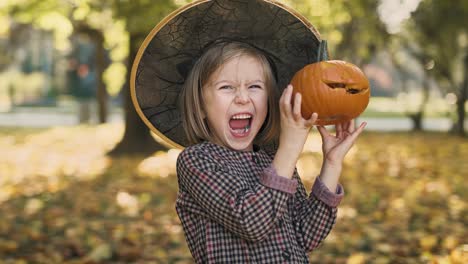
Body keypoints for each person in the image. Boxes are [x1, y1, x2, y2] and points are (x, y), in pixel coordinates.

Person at [130, 0, 365, 262]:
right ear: (201, 106)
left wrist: (331, 164)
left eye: (255, 86)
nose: (243, 98)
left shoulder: (274, 161)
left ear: (270, 99)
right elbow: (251, 223)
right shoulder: (197, 160)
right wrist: (289, 148)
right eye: (226, 87)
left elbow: (305, 236)